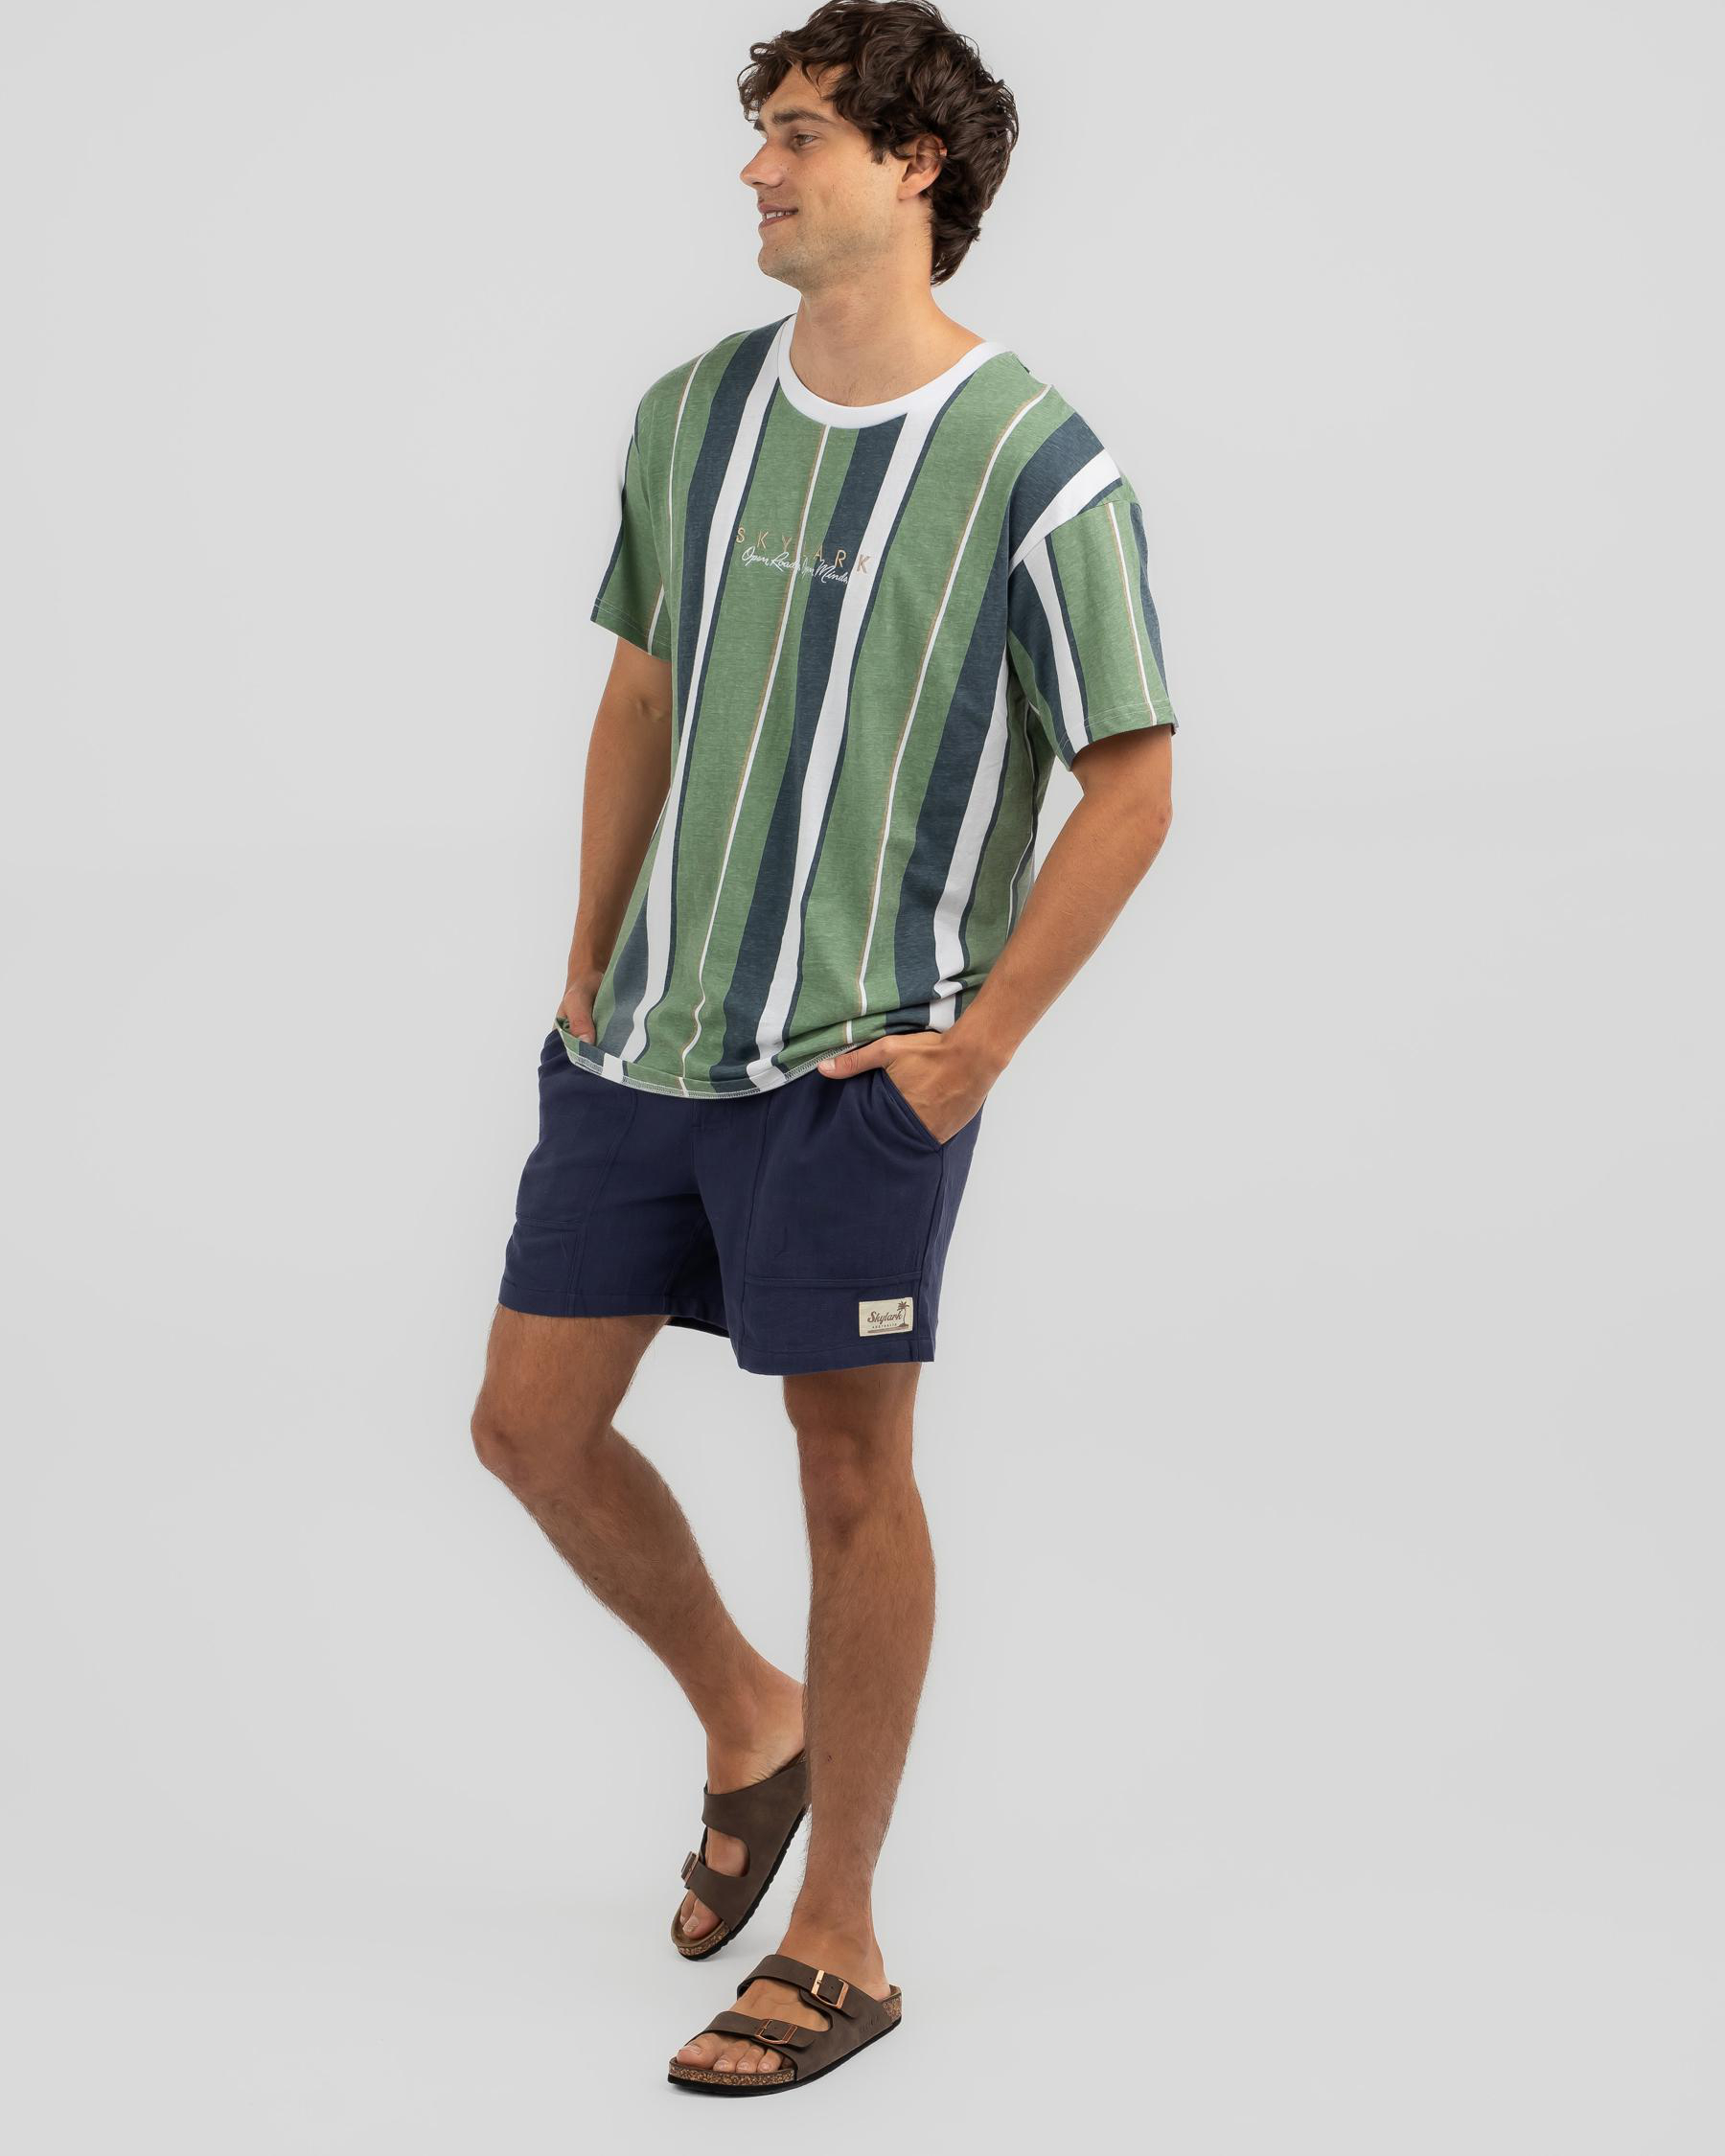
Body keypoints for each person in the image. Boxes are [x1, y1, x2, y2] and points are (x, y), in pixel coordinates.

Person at [470, 0, 1180, 2097]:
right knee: (526, 1425)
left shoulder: (1042, 466)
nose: (757, 171)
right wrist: (584, 954)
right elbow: (640, 691)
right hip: (644, 1036)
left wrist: (975, 1054)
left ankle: (843, 1938)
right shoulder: (693, 411)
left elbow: (1133, 782)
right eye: (764, 134)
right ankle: (751, 1717)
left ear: (913, 165)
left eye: (796, 135)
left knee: (852, 1479)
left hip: (863, 1065)